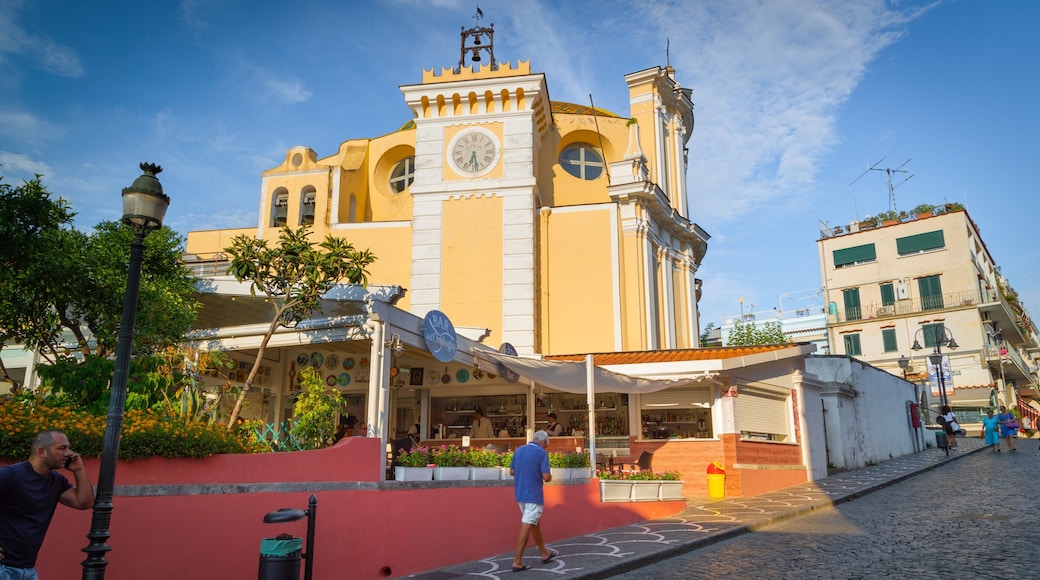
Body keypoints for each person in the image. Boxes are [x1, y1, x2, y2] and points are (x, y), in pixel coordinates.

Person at [0, 430, 95, 576]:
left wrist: (79, 469)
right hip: (3, 568)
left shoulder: (55, 481)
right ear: (41, 451)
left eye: (68, 447)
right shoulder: (11, 475)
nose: (69, 453)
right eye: (62, 448)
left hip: (28, 569)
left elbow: (84, 502)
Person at [509, 430, 557, 572]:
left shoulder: (519, 450)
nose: (547, 446)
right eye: (547, 443)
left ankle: (544, 553)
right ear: (543, 442)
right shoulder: (542, 453)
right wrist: (548, 476)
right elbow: (546, 477)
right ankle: (517, 561)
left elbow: (512, 472)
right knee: (527, 524)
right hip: (533, 494)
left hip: (520, 493)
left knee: (534, 523)